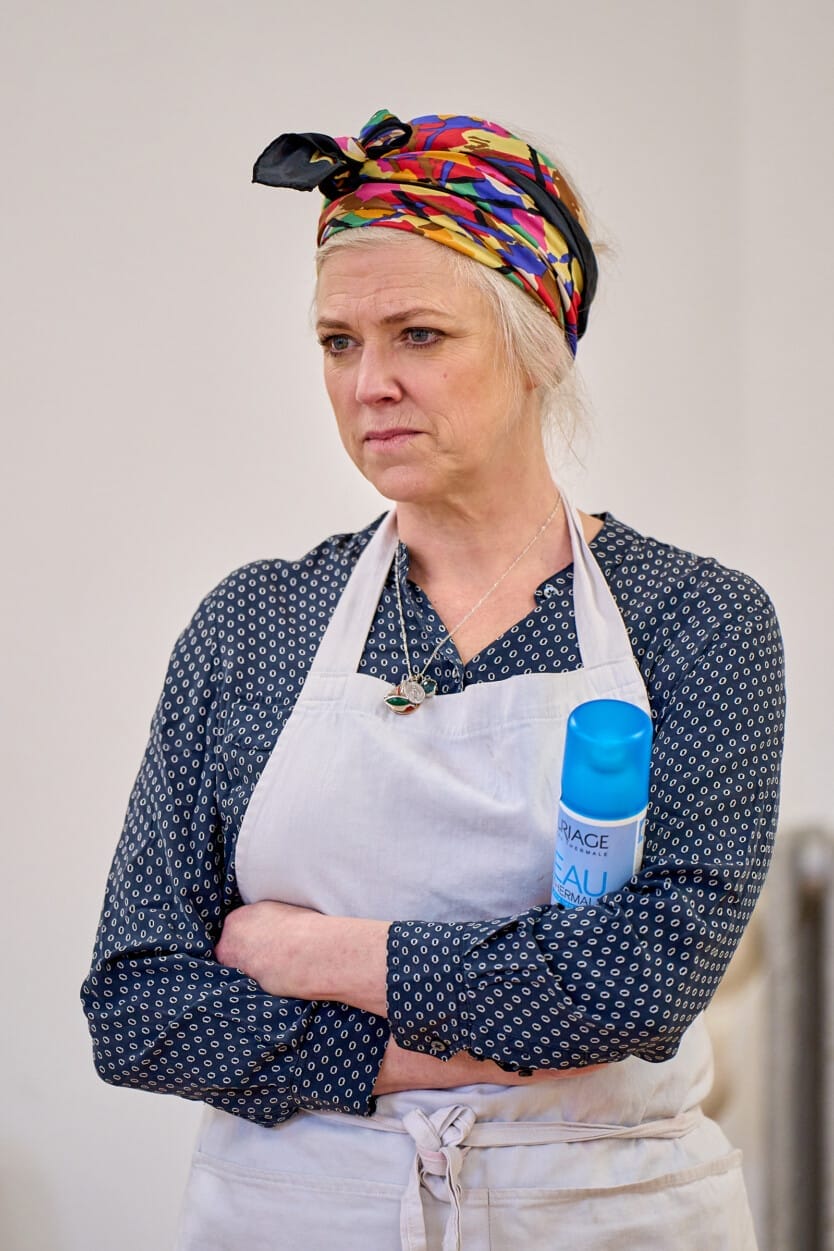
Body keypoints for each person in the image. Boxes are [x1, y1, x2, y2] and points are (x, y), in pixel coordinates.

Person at [81, 110, 785, 1250]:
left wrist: (316, 955)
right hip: (297, 1219)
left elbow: (643, 988)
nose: (370, 385)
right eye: (337, 342)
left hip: (608, 1217)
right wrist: (500, 1031)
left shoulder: (697, 622)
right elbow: (140, 1007)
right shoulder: (255, 622)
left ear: (535, 345)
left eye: (418, 335)